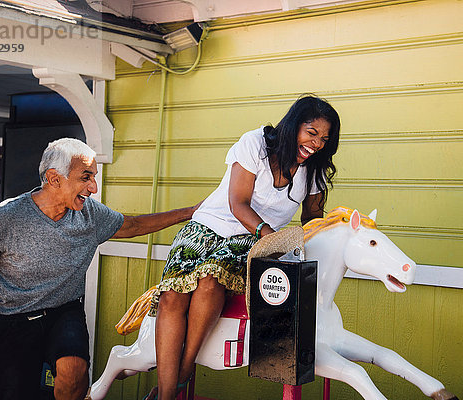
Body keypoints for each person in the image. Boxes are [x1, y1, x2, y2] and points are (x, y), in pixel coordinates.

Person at [0, 138, 200, 400]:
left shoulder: (90, 214)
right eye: (86, 177)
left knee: (75, 371)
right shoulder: (3, 218)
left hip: (63, 311)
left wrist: (190, 212)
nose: (93, 187)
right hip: (11, 319)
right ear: (54, 178)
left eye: (93, 176)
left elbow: (133, 225)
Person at [146, 94, 340, 400]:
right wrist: (270, 234)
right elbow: (238, 203)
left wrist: (328, 232)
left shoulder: (314, 171)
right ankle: (168, 394)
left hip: (249, 242)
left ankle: (182, 372)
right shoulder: (256, 144)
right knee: (172, 297)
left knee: (211, 283)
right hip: (208, 225)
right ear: (293, 126)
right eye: (312, 133)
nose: (316, 144)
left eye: (324, 139)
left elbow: (312, 217)